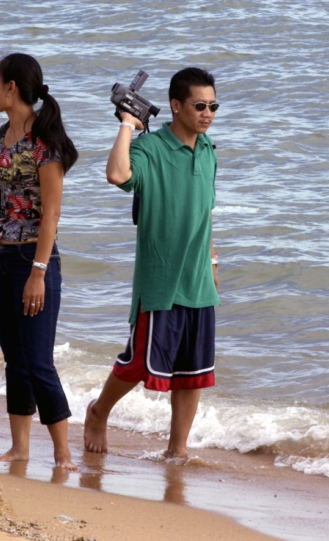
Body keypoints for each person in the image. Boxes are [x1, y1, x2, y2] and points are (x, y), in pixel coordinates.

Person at [84, 67, 220, 459]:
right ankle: (99, 411)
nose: (207, 113)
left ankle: (177, 450)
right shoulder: (151, 149)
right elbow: (117, 174)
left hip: (199, 281)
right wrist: (128, 124)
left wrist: (213, 260)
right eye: (199, 106)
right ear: (176, 105)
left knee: (193, 374)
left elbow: (206, 213)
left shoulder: (209, 150)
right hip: (160, 281)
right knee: (138, 363)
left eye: (213, 106)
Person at [0, 52, 78, 471]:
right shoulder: (4, 133)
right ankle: (19, 448)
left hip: (32, 259)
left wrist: (38, 272)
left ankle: (63, 454)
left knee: (38, 362)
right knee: (14, 360)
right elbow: (1, 200)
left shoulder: (44, 141)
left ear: (11, 87)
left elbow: (51, 214)